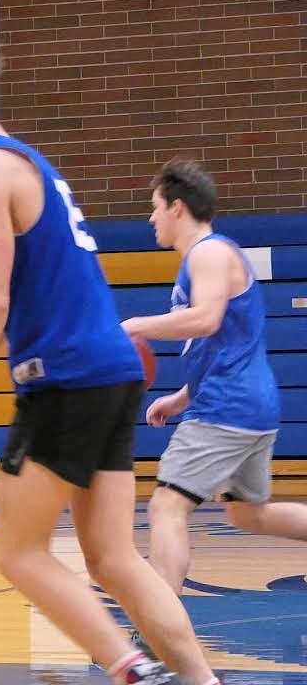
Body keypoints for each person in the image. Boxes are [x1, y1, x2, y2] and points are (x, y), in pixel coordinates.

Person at [0, 38, 220, 685]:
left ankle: (131, 670)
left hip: (66, 379)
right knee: (113, 557)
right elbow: (22, 295)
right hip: (112, 371)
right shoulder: (31, 163)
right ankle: (202, 683)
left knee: (18, 554)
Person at [121, 159, 307, 625]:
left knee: (167, 505)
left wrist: (135, 326)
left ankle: (162, 625)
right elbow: (221, 341)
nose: (151, 218)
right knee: (249, 515)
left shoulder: (207, 253)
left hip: (228, 408)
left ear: (177, 207)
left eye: (155, 207)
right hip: (250, 406)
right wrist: (181, 397)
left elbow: (205, 319)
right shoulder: (210, 257)